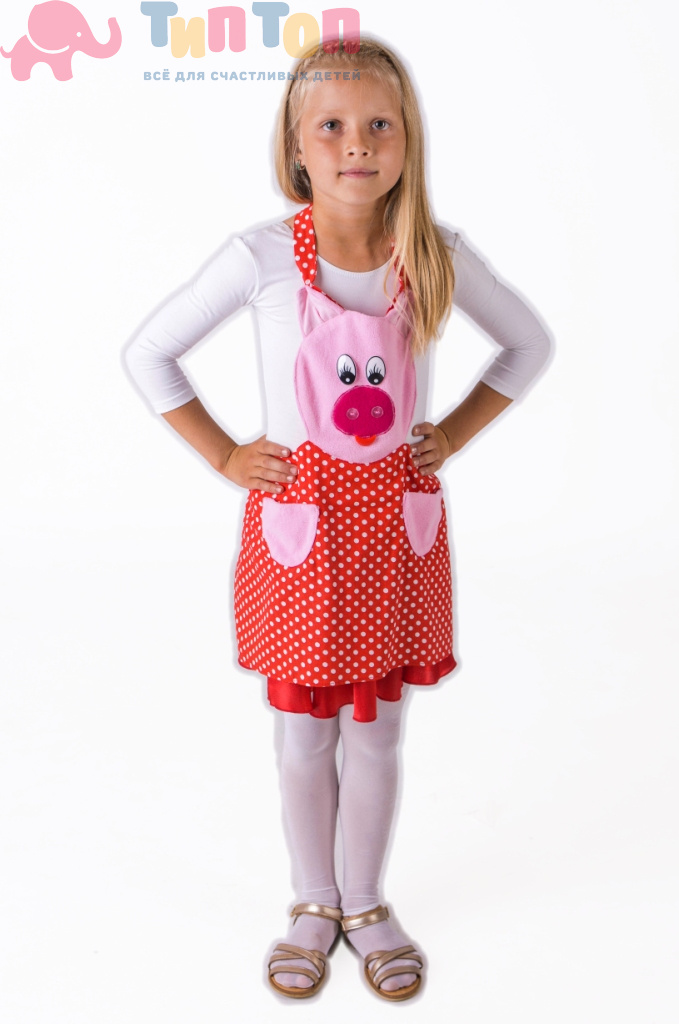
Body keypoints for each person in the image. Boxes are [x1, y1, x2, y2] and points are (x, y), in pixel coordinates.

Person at [125, 37, 551, 1002]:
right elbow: (151, 353)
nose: (356, 144)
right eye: (331, 126)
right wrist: (225, 454)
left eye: (378, 125)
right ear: (295, 146)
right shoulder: (260, 258)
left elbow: (527, 345)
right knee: (304, 736)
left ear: (408, 140)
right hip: (301, 543)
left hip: (395, 540)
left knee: (379, 734)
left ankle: (364, 902)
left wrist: (451, 433)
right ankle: (311, 901)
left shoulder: (433, 255)